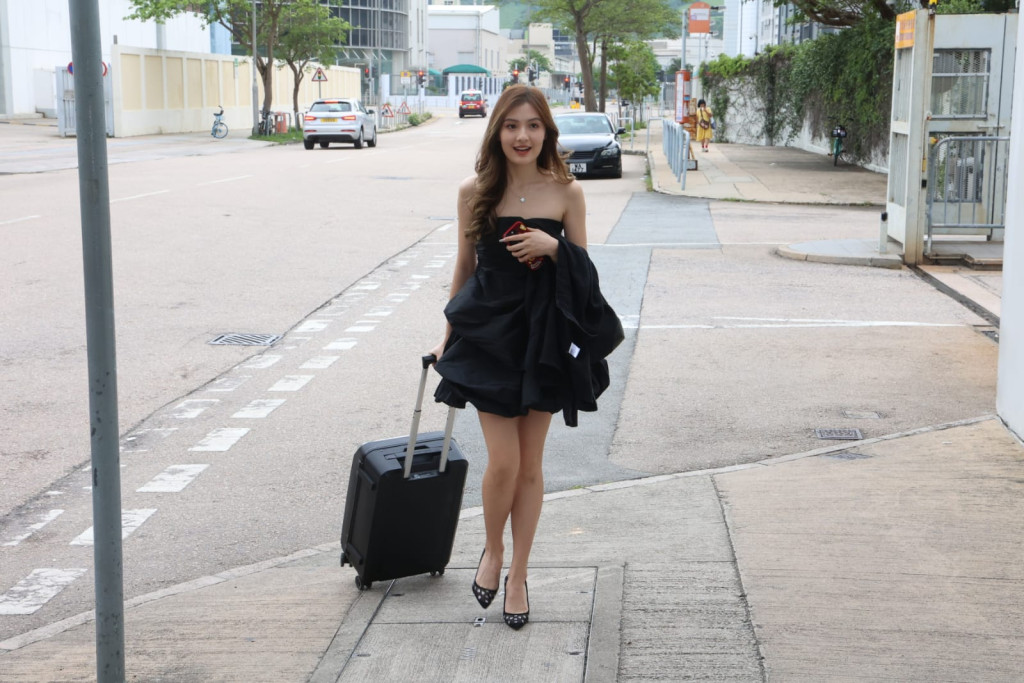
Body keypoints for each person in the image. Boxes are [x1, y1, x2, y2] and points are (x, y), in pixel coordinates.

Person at [429, 84, 623, 630]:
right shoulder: (474, 192)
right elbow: (464, 268)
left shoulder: (566, 192)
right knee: (504, 462)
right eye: (512, 125)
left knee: (531, 465)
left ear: (547, 133)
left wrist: (554, 247)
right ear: (497, 132)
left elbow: (586, 276)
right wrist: (447, 336)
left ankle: (518, 575)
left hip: (544, 339)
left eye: (533, 126)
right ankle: (492, 550)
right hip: (489, 336)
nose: (522, 136)